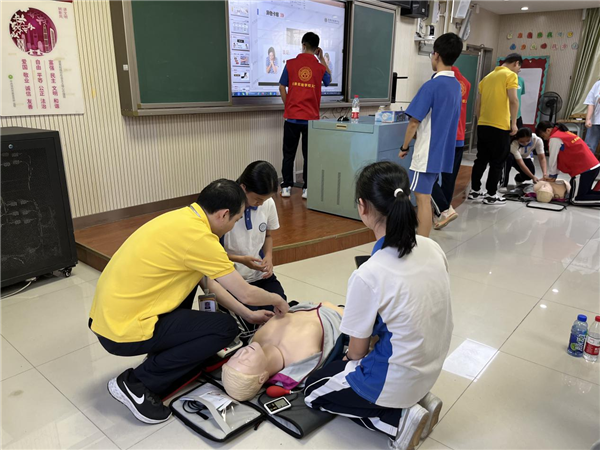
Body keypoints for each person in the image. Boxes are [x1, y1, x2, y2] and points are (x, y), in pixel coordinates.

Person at [89, 179, 289, 424]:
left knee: (191, 286)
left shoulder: (182, 218)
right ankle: (137, 384)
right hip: (122, 332)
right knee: (224, 328)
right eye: (236, 220)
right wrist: (277, 300)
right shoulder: (201, 239)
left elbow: (209, 283)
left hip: (108, 317)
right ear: (223, 214)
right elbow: (245, 293)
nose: (233, 226)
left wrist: (248, 315)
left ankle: (164, 356)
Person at [304, 161, 453, 450]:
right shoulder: (432, 247)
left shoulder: (369, 274)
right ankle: (420, 399)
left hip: (396, 379)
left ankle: (399, 419)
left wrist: (346, 362)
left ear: (362, 207)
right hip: (431, 367)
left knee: (314, 389)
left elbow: (357, 352)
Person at [399, 33, 462, 237]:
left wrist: (404, 147)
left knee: (423, 199)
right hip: (442, 151)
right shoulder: (456, 86)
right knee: (424, 197)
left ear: (436, 55)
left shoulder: (432, 85)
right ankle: (420, 240)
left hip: (427, 152)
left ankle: (421, 242)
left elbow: (413, 122)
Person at [222, 302, 344, 401]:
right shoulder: (302, 356)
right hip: (339, 313)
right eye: (245, 361)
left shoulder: (257, 339)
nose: (243, 352)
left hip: (313, 305)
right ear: (262, 377)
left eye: (236, 356)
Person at [222, 161, 286, 334]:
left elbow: (268, 236)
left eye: (264, 200)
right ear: (243, 188)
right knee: (251, 324)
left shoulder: (267, 203)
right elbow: (212, 254)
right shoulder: (225, 207)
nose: (261, 204)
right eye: (258, 199)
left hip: (260, 275)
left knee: (281, 311)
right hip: (233, 279)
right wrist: (240, 260)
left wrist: (269, 257)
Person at [279, 32, 331, 200]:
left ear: (303, 45)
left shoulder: (290, 64)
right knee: (309, 156)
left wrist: (288, 105)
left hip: (292, 118)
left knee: (288, 154)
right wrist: (321, 59)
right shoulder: (320, 67)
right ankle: (307, 188)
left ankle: (286, 187)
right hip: (311, 120)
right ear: (317, 48)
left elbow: (281, 87)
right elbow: (328, 80)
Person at [468, 53, 522, 205]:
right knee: (497, 161)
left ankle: (475, 191)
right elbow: (514, 100)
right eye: (519, 68)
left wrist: (480, 121)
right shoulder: (510, 75)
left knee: (481, 159)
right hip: (500, 126)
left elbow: (478, 104)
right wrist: (514, 123)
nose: (518, 71)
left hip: (483, 124)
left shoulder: (486, 78)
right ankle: (491, 194)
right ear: (516, 63)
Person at [431, 65, 471, 230]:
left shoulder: (439, 80)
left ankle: (443, 209)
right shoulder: (466, 83)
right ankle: (443, 213)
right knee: (449, 178)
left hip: (442, 136)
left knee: (428, 175)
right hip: (459, 136)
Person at [536, 121, 600, 206]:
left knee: (575, 199)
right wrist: (553, 175)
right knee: (584, 193)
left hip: (584, 170)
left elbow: (553, 159)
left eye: (543, 136)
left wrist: (552, 176)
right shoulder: (564, 133)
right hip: (592, 167)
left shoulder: (555, 138)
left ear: (548, 130)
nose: (545, 139)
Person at [584, 79, 600, 154]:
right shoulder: (597, 84)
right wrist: (588, 119)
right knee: (589, 148)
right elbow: (591, 103)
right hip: (595, 121)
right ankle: (587, 162)